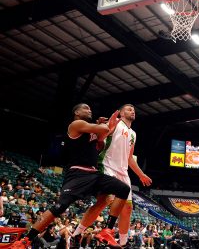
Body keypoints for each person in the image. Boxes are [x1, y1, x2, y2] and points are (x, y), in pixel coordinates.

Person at [12, 103, 131, 248]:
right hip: (77, 174)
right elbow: (106, 130)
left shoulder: (90, 131)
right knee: (60, 207)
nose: (89, 110)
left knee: (123, 189)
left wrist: (103, 130)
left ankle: (107, 230)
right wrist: (108, 124)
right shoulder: (76, 124)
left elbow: (102, 140)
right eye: (85, 108)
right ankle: (26, 240)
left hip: (93, 173)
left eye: (90, 109)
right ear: (76, 112)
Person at [71, 104, 152, 247]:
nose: (132, 111)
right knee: (104, 201)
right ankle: (78, 233)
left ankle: (123, 243)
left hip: (123, 172)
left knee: (127, 208)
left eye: (133, 110)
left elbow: (129, 157)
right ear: (120, 113)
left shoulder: (133, 133)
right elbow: (99, 136)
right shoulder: (115, 123)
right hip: (107, 165)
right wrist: (105, 126)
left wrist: (141, 174)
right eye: (128, 109)